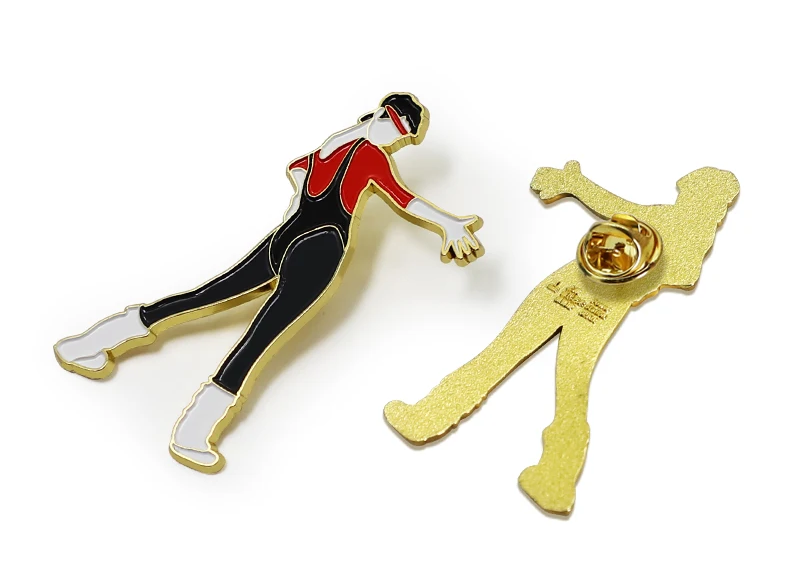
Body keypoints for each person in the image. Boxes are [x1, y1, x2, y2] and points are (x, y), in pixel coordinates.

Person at [55, 93, 484, 472]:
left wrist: (295, 220)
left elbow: (302, 176)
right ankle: (192, 432)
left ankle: (92, 344)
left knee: (208, 301)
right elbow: (403, 198)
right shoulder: (367, 154)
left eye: (403, 134)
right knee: (254, 336)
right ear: (382, 117)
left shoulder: (334, 149)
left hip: (290, 238)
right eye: (396, 127)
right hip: (318, 248)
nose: (396, 138)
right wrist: (448, 224)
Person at [384, 160, 739, 515]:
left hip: (592, 300)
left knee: (554, 381)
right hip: (574, 289)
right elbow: (623, 212)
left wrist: (577, 186)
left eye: (690, 189)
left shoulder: (690, 232)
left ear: (702, 197)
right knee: (519, 364)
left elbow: (673, 263)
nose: (683, 193)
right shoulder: (678, 224)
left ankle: (549, 474)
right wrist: (575, 185)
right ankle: (437, 419)